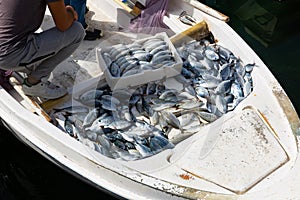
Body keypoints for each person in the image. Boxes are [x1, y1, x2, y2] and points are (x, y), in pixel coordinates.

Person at [0, 0, 85, 99]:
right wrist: (70, 11)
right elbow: (63, 24)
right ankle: (33, 83)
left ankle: (24, 65)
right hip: (8, 55)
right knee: (77, 31)